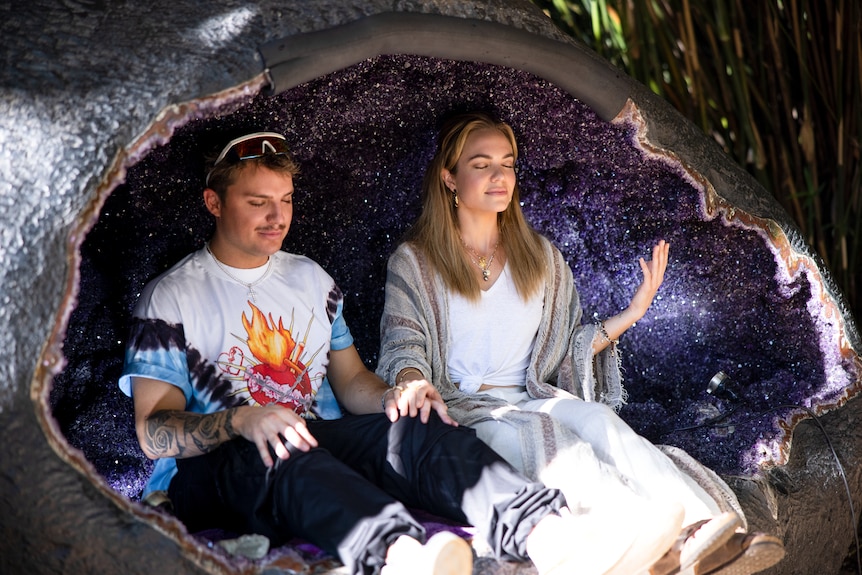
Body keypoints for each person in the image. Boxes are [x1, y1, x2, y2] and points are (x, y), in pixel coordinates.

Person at [118, 131, 687, 575]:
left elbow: (352, 384)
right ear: (213, 202)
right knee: (284, 454)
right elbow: (153, 432)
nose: (278, 217)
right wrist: (244, 418)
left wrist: (400, 394)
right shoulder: (172, 296)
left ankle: (554, 539)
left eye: (286, 200)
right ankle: (401, 558)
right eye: (258, 202)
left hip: (319, 439)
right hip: (212, 469)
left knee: (421, 429)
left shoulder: (312, 279)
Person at [377, 112, 787, 575]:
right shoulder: (416, 261)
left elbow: (566, 346)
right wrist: (411, 380)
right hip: (468, 412)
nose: (499, 176)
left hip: (533, 396)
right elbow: (403, 347)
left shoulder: (541, 257)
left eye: (508, 164)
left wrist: (631, 314)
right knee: (555, 445)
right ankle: (646, 548)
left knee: (597, 420)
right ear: (449, 178)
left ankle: (709, 534)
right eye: (482, 164)